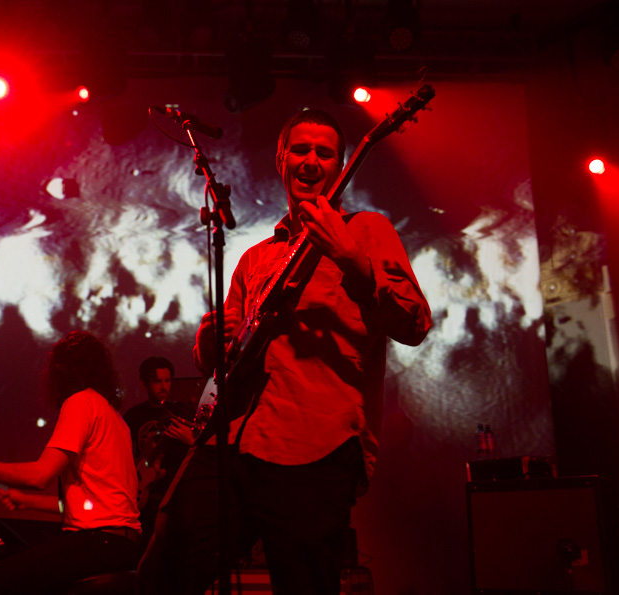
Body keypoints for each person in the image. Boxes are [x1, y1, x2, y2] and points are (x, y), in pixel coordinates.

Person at [137, 109, 432, 595]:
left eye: (325, 153)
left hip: (316, 446)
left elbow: (414, 322)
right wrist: (211, 343)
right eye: (301, 149)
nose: (311, 161)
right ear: (281, 158)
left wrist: (351, 260)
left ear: (339, 165)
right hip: (232, 441)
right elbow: (219, 361)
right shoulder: (256, 259)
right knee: (165, 560)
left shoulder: (367, 231)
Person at [0, 331, 141, 595]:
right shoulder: (115, 418)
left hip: (98, 542)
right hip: (122, 544)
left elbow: (40, 476)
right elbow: (96, 503)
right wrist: (26, 501)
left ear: (62, 370)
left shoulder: (81, 402)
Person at [122, 356, 193, 542]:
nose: (163, 386)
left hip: (176, 494)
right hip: (145, 498)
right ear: (144, 383)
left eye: (167, 380)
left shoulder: (182, 412)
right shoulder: (133, 416)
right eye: (157, 381)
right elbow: (125, 457)